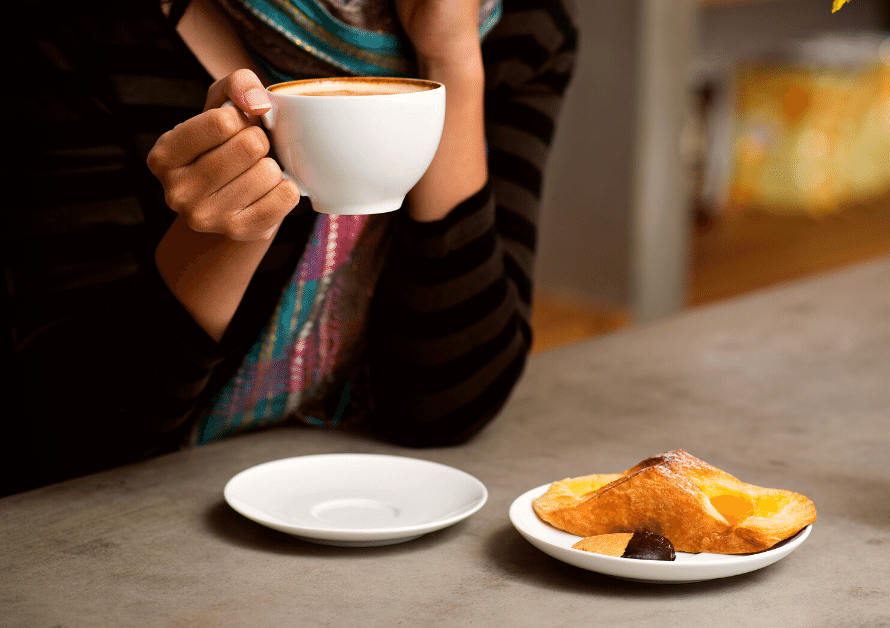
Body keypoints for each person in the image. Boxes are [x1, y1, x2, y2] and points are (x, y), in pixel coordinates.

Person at [4, 0, 578, 496]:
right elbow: (69, 438)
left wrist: (449, 55)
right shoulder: (73, 30)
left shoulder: (517, 27)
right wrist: (220, 233)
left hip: (380, 510)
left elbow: (453, 401)